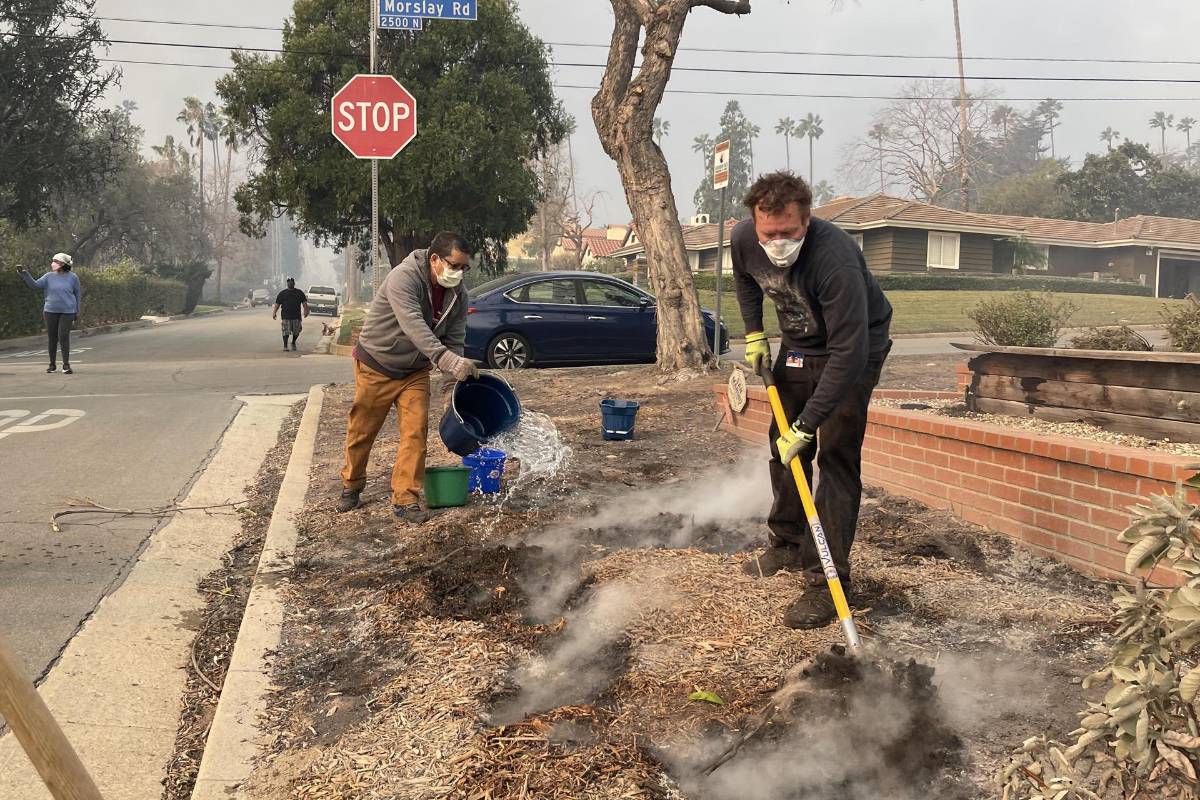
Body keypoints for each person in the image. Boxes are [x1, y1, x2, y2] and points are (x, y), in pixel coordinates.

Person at [732, 172, 893, 630]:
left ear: (807, 220)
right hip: (800, 345)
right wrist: (756, 332)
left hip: (855, 350)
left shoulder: (835, 258)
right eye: (770, 234)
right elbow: (747, 279)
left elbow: (849, 353)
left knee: (835, 455)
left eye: (789, 232)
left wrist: (809, 424)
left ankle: (829, 582)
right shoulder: (745, 238)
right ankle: (787, 542)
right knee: (782, 446)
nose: (778, 242)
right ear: (755, 222)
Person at [337, 231, 478, 524]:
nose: (459, 273)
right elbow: (414, 326)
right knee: (362, 430)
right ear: (435, 259)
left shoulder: (458, 295)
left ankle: (406, 499)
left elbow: (455, 338)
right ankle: (352, 485)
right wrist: (449, 361)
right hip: (377, 364)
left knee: (415, 433)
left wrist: (452, 389)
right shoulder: (404, 277)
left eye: (464, 268)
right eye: (454, 266)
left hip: (414, 372)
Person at [16, 253, 82, 374]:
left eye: (56, 261)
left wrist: (77, 310)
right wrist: (24, 274)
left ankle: (66, 365)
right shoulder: (48, 276)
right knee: (52, 338)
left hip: (67, 311)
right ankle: (52, 365)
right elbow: (35, 285)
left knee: (63, 337)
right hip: (50, 311)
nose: (53, 263)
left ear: (63, 264)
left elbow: (78, 294)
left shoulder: (73, 277)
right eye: (53, 261)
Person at [272, 278, 309, 351]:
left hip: (296, 316)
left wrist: (306, 311)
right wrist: (274, 312)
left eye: (292, 283)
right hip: (286, 316)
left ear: (294, 283)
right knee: (285, 331)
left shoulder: (299, 292)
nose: (291, 284)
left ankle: (293, 342)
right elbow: (277, 304)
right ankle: (285, 346)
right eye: (289, 283)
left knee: (297, 331)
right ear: (287, 284)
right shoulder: (282, 293)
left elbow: (304, 303)